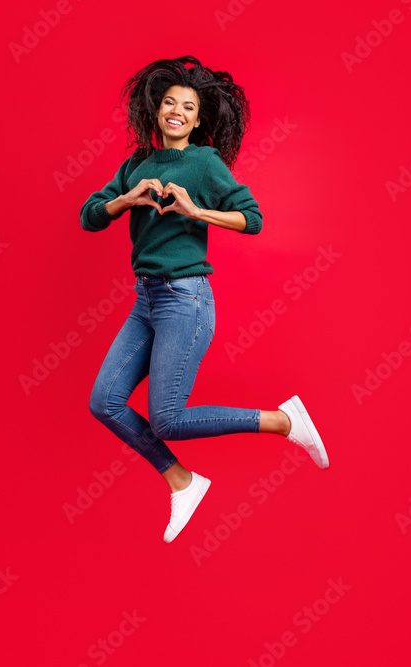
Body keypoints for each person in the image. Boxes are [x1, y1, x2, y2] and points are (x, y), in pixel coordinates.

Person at [79, 55, 327, 544]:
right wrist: (127, 200)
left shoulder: (205, 163)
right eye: (169, 102)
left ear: (197, 119)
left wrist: (197, 211)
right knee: (105, 402)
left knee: (168, 417)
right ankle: (183, 481)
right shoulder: (136, 165)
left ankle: (281, 420)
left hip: (185, 300)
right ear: (154, 111)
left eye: (187, 107)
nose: (176, 111)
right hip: (146, 299)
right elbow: (89, 215)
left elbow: (252, 219)